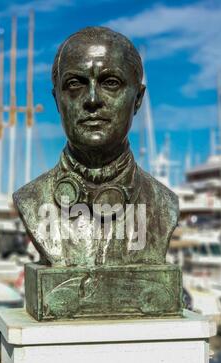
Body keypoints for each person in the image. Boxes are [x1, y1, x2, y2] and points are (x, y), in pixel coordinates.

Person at [13, 26, 178, 267]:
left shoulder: (164, 204)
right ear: (57, 100)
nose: (92, 99)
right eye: (75, 84)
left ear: (138, 99)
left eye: (110, 82)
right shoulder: (31, 200)